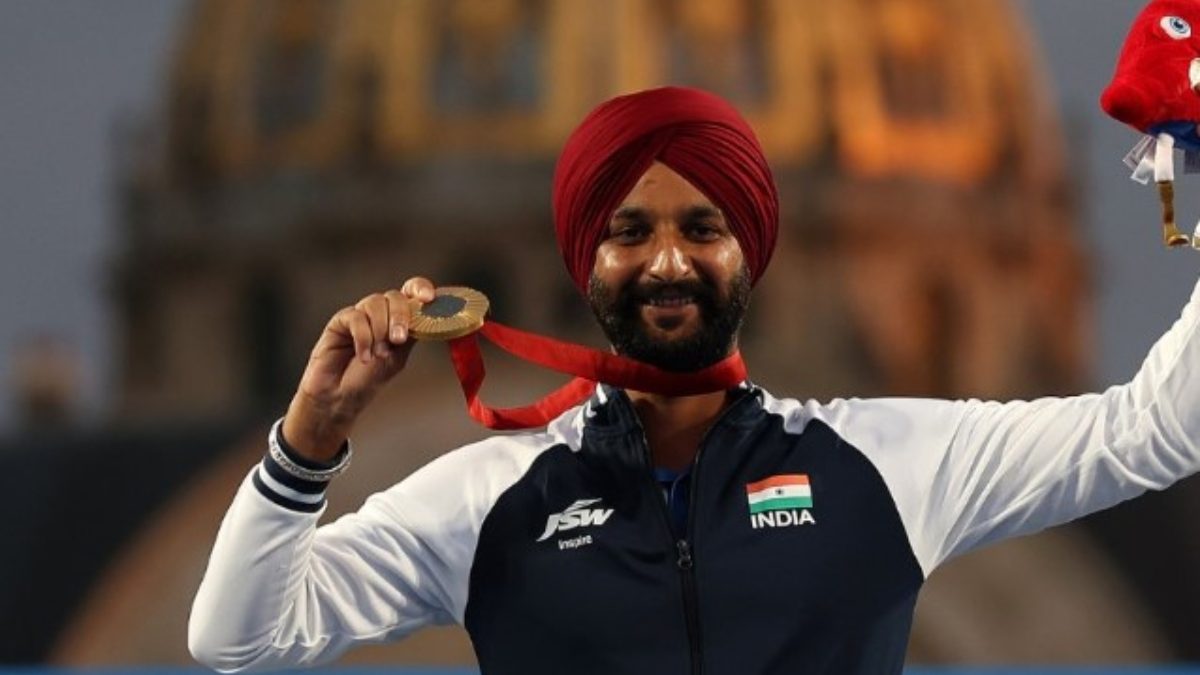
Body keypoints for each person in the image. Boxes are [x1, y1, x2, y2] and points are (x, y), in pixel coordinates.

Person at [188, 86, 1200, 674]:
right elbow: (235, 640)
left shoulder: (884, 462)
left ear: (750, 253)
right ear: (582, 264)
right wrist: (309, 437)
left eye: (702, 228)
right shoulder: (485, 497)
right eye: (630, 231)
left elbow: (1158, 431)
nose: (668, 262)